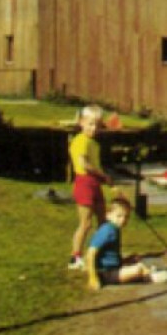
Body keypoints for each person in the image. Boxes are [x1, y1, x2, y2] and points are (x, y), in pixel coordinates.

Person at [68, 105, 114, 269]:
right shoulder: (80, 140)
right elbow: (84, 164)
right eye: (91, 124)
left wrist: (105, 178)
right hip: (84, 183)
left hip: (95, 183)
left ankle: (100, 253)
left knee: (103, 221)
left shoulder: (94, 144)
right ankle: (75, 257)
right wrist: (102, 176)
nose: (94, 128)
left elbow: (96, 165)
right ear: (82, 122)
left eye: (98, 125)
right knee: (86, 223)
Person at [85, 196, 154, 291]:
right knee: (139, 269)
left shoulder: (114, 229)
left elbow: (110, 255)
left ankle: (145, 273)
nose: (122, 220)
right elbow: (90, 253)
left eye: (126, 217)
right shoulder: (107, 230)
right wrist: (92, 277)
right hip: (106, 273)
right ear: (108, 215)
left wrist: (125, 260)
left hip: (113, 267)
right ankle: (149, 276)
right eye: (119, 216)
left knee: (135, 260)